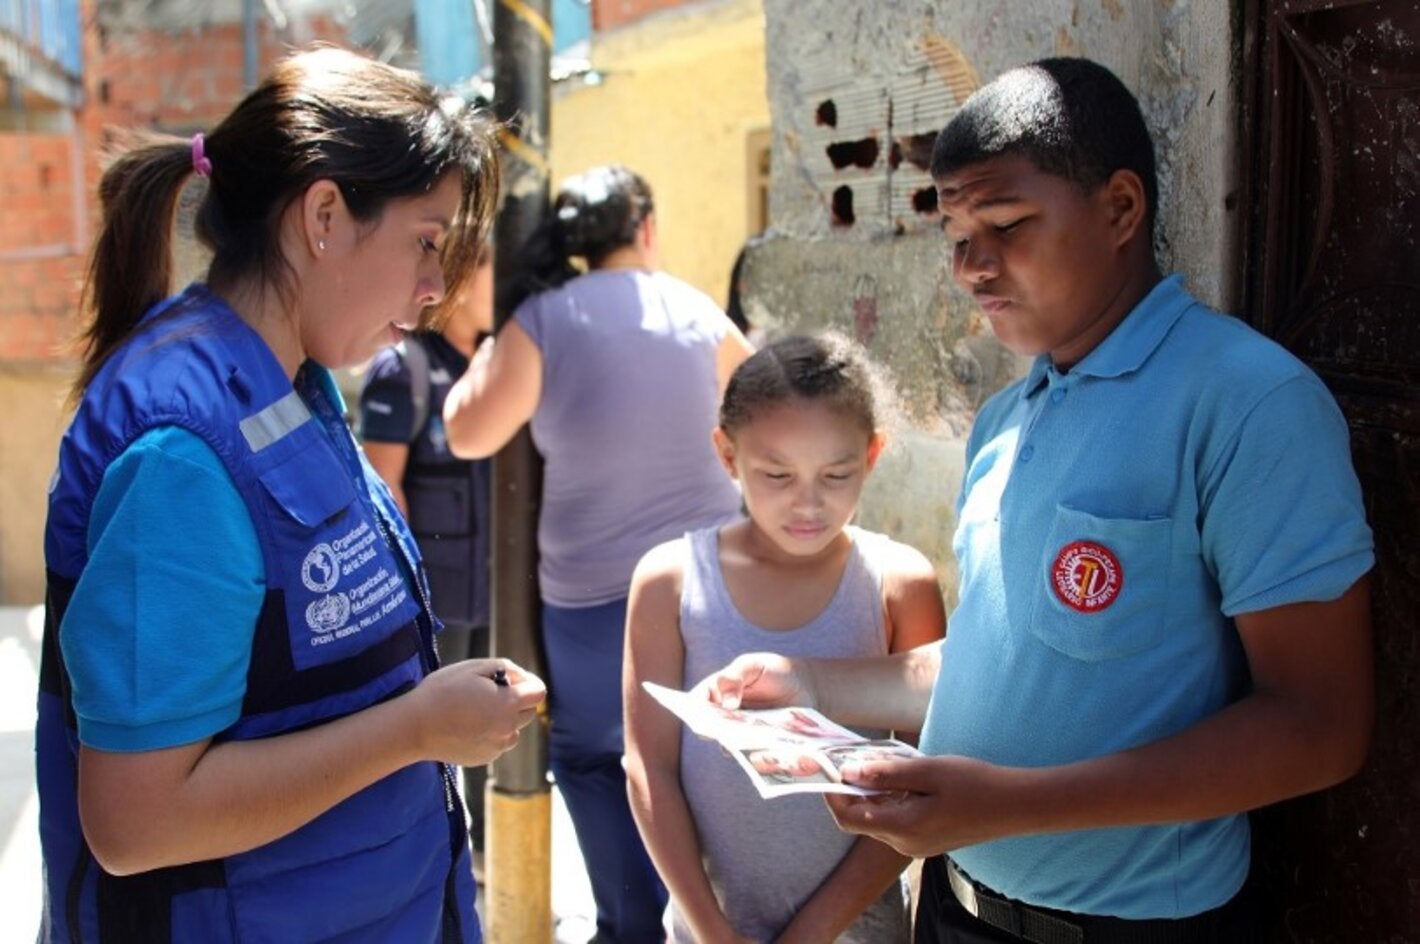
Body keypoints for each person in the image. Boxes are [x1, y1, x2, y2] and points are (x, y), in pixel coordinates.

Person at [703, 58, 1375, 944]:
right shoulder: (1006, 420)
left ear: (1121, 209)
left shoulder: (1245, 401)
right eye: (956, 238)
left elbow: (1318, 724)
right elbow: (1003, 657)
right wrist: (814, 682)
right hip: (957, 908)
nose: (973, 267)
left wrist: (1007, 806)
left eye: (1008, 224)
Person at [36, 47, 546, 943]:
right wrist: (418, 730)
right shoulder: (181, 457)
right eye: (426, 242)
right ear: (323, 215)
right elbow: (135, 823)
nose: (435, 291)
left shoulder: (287, 379)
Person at [443, 164, 753, 943]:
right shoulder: (696, 310)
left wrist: (494, 344)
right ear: (645, 230)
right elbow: (764, 410)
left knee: (591, 758)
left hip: (590, 603)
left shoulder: (544, 319)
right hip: (705, 587)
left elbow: (466, 430)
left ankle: (629, 927)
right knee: (702, 752)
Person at [623, 333, 946, 943]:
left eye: (837, 473)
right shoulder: (670, 582)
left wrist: (815, 931)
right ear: (727, 456)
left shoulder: (899, 585)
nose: (808, 503)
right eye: (776, 473)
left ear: (872, 456)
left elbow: (920, 778)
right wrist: (712, 930)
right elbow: (649, 769)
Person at [359, 245, 496, 863]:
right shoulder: (404, 368)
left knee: (503, 736)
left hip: (500, 594)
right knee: (437, 748)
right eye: (499, 270)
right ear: (464, 282)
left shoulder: (502, 364)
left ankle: (491, 858)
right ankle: (437, 863)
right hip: (437, 604)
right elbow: (384, 490)